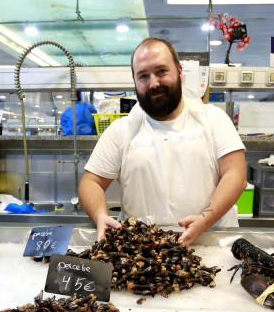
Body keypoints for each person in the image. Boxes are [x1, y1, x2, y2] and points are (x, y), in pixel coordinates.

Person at [79, 37, 247, 246]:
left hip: (211, 244)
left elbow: (236, 175)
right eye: (143, 76)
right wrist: (100, 216)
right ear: (134, 81)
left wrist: (206, 218)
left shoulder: (214, 119)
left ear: (179, 71)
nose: (153, 83)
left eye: (161, 71)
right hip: (143, 253)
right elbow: (91, 181)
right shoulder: (121, 131)